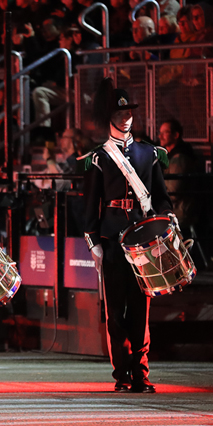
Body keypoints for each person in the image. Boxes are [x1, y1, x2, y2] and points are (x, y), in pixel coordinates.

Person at [82, 78, 172, 394]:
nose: (125, 117)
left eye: (129, 112)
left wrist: (167, 219)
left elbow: (161, 197)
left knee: (140, 308)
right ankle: (122, 373)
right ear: (110, 116)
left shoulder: (149, 153)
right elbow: (89, 205)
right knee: (115, 311)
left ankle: (141, 374)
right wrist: (93, 244)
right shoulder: (100, 157)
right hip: (111, 240)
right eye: (120, 113)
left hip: (143, 239)